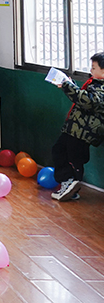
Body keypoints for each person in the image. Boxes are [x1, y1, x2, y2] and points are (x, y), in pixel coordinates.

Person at [50, 53, 104, 201]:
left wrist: (67, 86)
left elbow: (88, 100)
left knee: (75, 158)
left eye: (94, 68)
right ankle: (68, 184)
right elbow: (84, 96)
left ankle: (71, 183)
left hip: (84, 131)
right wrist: (69, 84)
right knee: (59, 150)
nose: (91, 71)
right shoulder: (95, 83)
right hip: (75, 127)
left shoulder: (102, 88)